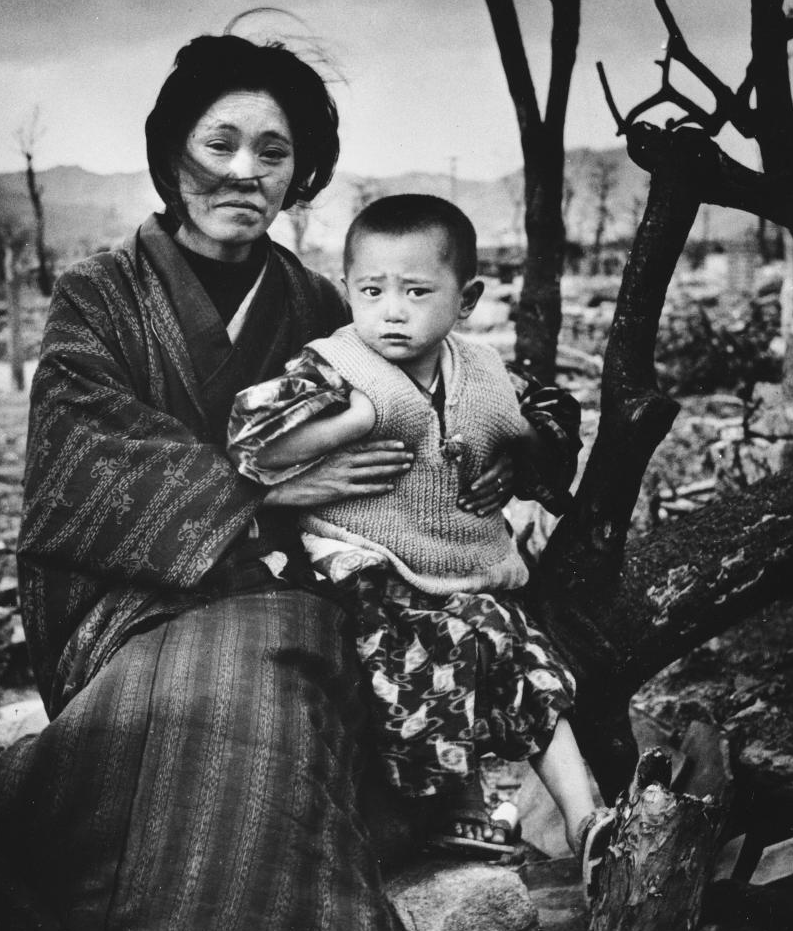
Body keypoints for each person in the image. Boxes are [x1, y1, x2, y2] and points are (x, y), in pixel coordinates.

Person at [0, 32, 454, 931]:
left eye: (273, 152)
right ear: (172, 154)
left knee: (270, 673)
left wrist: (504, 439)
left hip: (289, 592)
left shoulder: (321, 305)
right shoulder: (98, 298)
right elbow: (84, 461)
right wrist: (271, 481)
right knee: (232, 690)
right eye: (219, 143)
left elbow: (413, 406)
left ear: (299, 171)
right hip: (125, 604)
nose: (244, 172)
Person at [227, 195, 614, 888]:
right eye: (371, 291)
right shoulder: (336, 366)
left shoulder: (484, 370)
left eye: (415, 291)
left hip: (457, 566)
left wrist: (519, 459)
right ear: (348, 290)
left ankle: (590, 824)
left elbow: (545, 438)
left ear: (466, 299)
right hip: (364, 566)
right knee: (440, 645)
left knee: (528, 658)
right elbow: (254, 447)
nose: (391, 311)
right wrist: (355, 419)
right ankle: (449, 806)